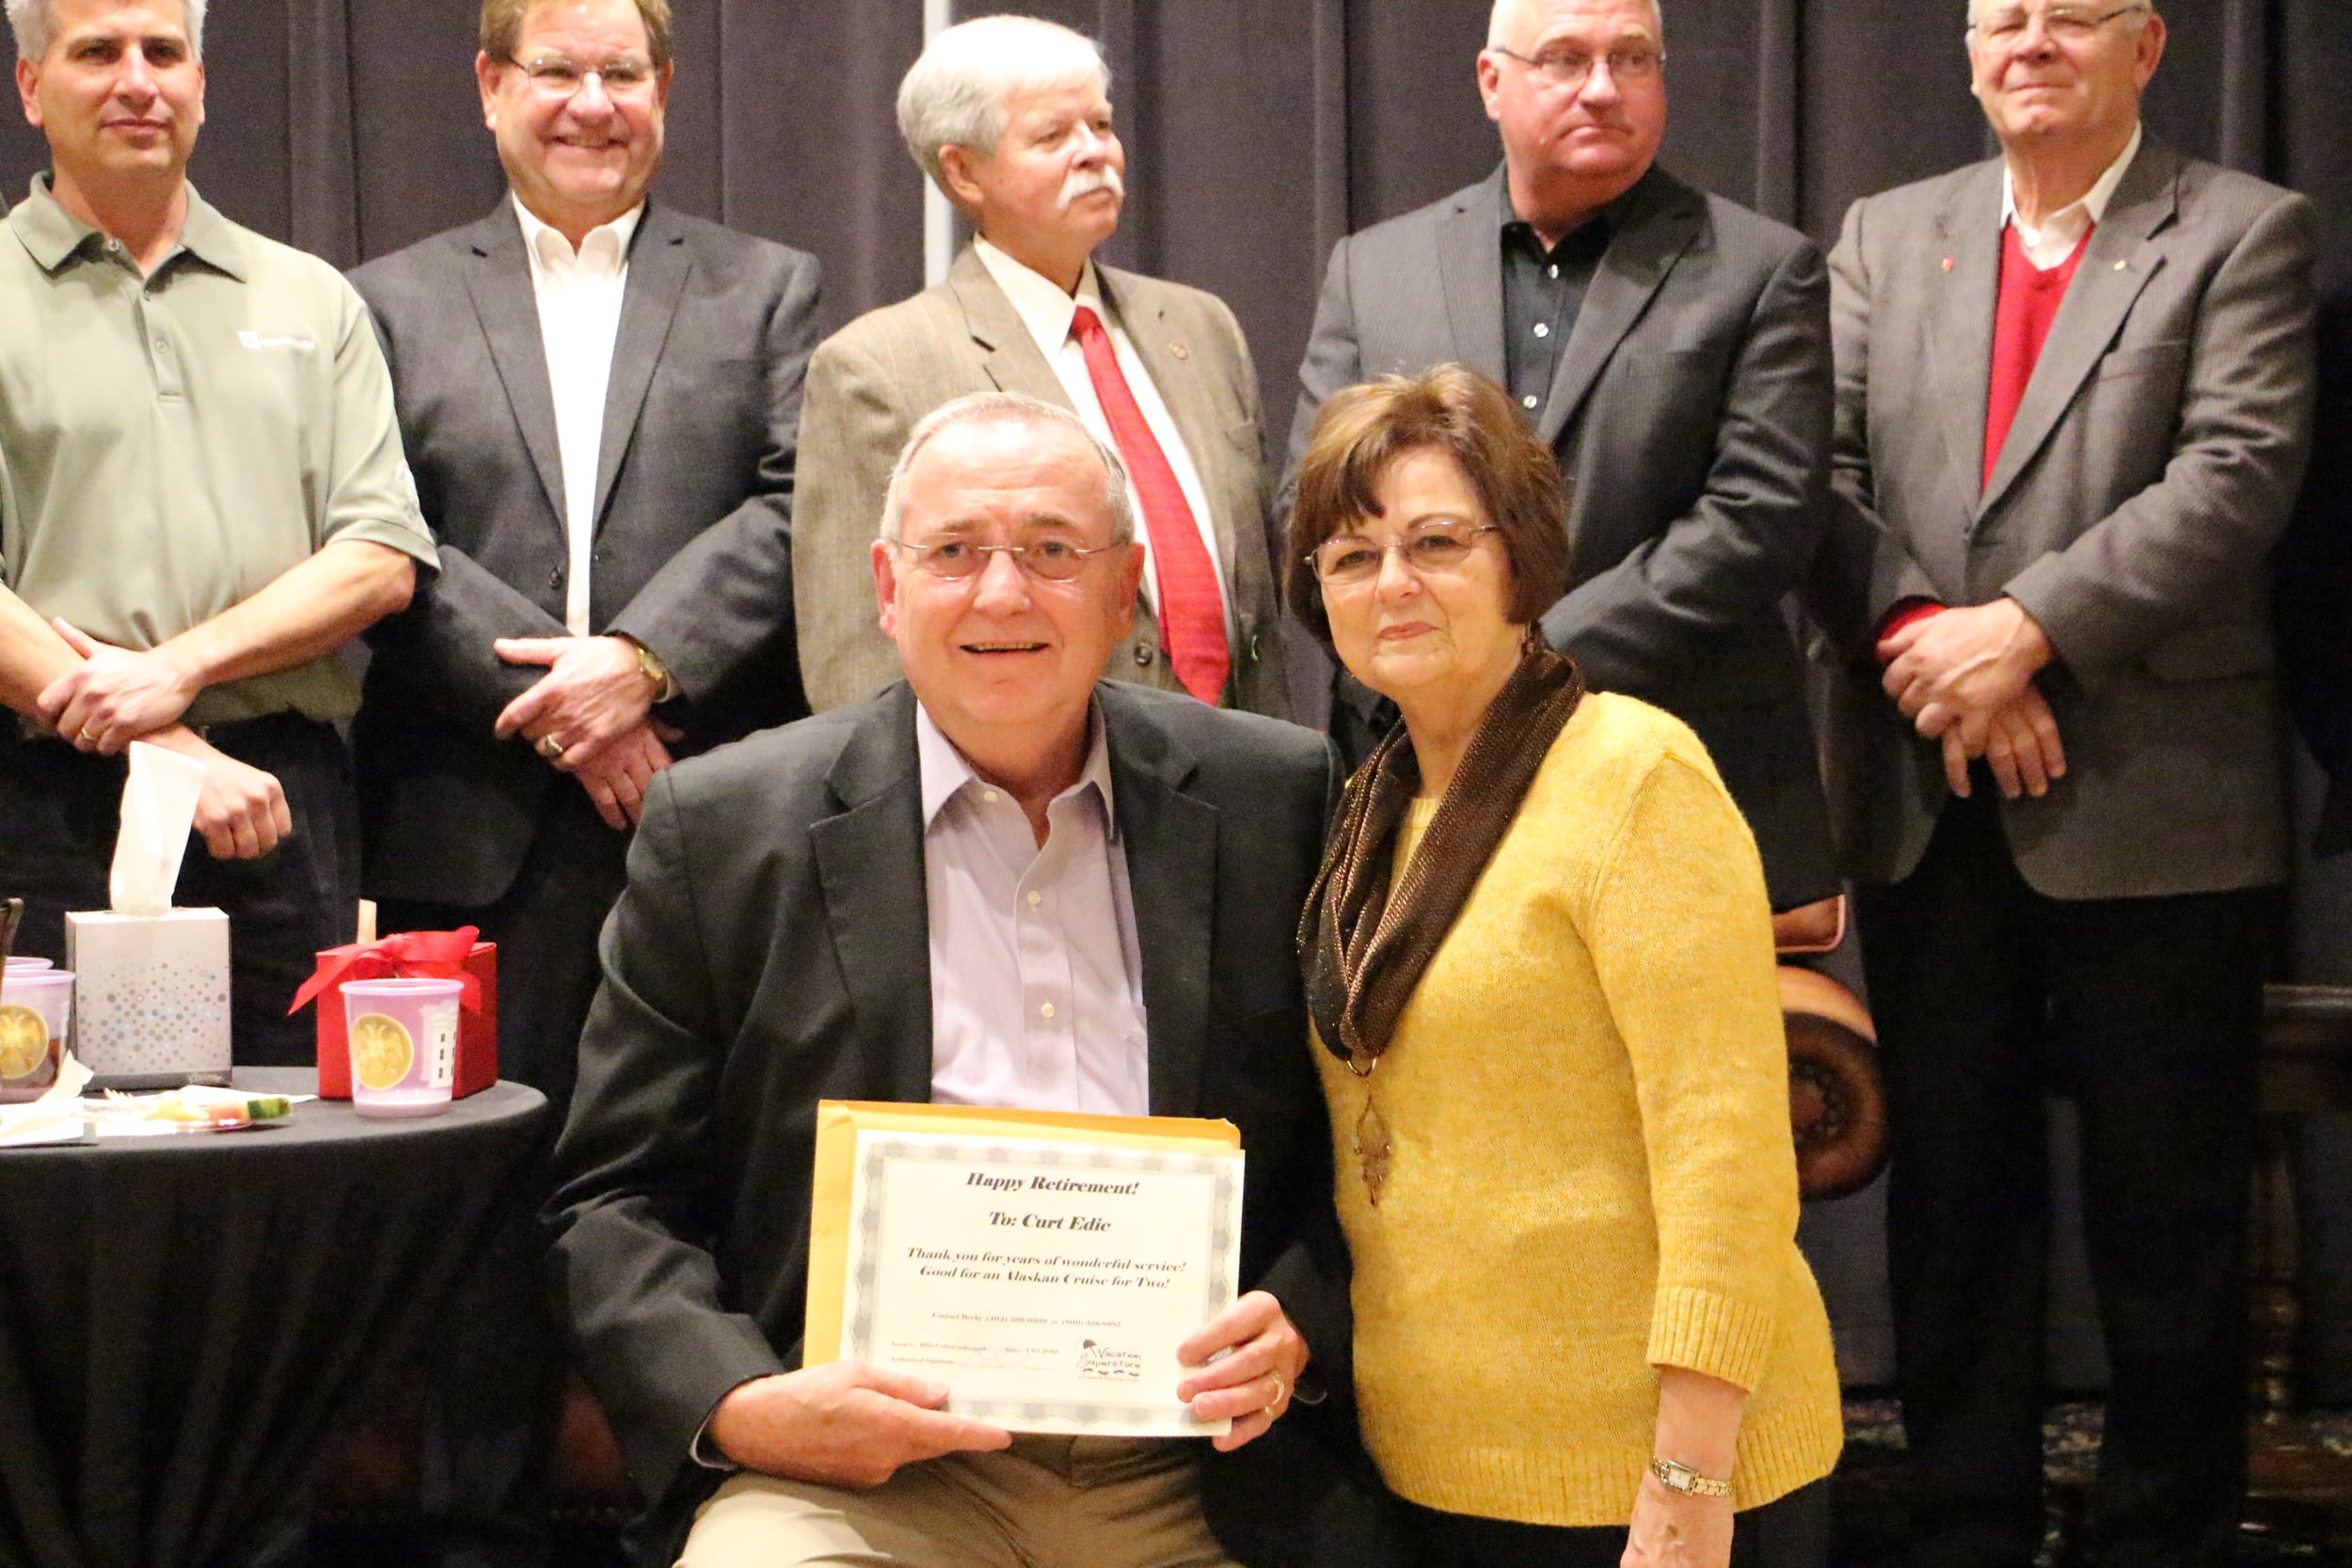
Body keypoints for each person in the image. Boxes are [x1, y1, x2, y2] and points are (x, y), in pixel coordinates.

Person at [548, 392, 1365, 1568]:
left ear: (1123, 582)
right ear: (886, 586)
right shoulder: (724, 827)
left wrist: (1294, 1319)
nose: (1001, 593)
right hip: (863, 1473)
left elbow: (1363, 1157)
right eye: (954, 552)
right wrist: (741, 1402)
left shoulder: (1272, 796)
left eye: (1050, 551)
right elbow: (611, 1198)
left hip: (1200, 1466)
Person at [1807, 4, 2316, 1563]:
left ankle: (2163, 1531)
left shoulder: (2243, 230)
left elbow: (2236, 473)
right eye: (1999, 18)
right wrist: (1927, 648)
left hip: (2159, 803)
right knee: (1955, 1199)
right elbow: (1812, 471)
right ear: (1967, 54)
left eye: (2068, 13)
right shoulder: (1890, 234)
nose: (2029, 41)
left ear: (2147, 47)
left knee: (2167, 1219)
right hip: (1925, 784)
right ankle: (1965, 1520)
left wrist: (2028, 636)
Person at [1289, 364, 1841, 1568]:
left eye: (1435, 541)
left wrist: (1690, 1470)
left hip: (1655, 1484)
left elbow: (1727, 1152)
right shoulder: (1364, 807)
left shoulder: (1632, 775)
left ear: (1520, 558)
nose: (1392, 583)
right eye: (1349, 555)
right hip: (1432, 1466)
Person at [350, 0, 821, 1114]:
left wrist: (644, 659)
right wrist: (569, 701)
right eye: (558, 70)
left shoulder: (769, 288)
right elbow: (380, 529)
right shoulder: (382, 301)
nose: (593, 105)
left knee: (700, 1153)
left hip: (702, 794)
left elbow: (800, 501)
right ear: (489, 86)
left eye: (623, 73)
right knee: (475, 1179)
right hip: (467, 813)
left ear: (663, 88)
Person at [1285, 0, 1836, 917]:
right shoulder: (1373, 267)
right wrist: (1437, 666)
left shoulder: (1760, 269)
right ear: (1491, 81)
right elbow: (1311, 514)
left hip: (1668, 771)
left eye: (1632, 60)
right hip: (1415, 776)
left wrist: (1521, 665)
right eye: (1564, 59)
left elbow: (1760, 517)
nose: (1601, 88)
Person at [0, 0, 435, 1062]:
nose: (137, 81)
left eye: (165, 52)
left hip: (279, 804)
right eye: (97, 53)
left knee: (289, 1158)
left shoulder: (311, 297)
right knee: (66, 1171)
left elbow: (378, 558)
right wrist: (162, 739)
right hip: (50, 800)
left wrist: (180, 667)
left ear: (202, 83)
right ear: (30, 88)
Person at [792, 14, 1289, 720]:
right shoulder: (876, 368)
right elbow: (858, 664)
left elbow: (1257, 601)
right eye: (1053, 136)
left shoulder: (1201, 329)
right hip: (1031, 798)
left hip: (1242, 785)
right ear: (963, 170)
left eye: (1102, 125)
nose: (1095, 153)